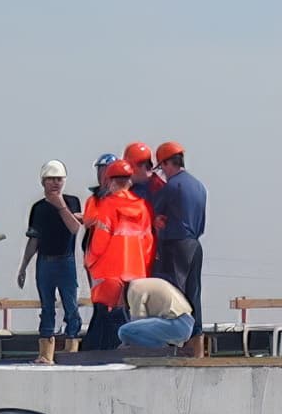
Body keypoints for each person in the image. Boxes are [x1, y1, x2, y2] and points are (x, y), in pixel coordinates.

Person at [78, 159, 156, 352]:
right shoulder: (142, 207)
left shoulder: (107, 206)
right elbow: (148, 242)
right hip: (135, 272)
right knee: (128, 314)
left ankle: (99, 352)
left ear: (111, 181)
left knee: (106, 314)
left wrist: (90, 263)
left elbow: (99, 241)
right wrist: (143, 268)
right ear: (129, 181)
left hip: (109, 272)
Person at [16, 160, 83, 363]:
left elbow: (74, 228)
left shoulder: (71, 202)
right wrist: (23, 266)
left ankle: (72, 349)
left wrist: (60, 205)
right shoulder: (38, 209)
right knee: (47, 307)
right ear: (43, 182)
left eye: (58, 179)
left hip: (66, 261)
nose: (55, 183)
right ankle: (46, 354)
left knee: (71, 306)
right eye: (51, 179)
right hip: (45, 262)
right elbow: (33, 239)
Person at [146, 140, 207, 347]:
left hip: (175, 245)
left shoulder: (172, 186)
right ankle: (196, 343)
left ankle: (174, 344)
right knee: (193, 293)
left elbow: (154, 214)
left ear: (165, 164)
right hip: (195, 245)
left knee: (173, 295)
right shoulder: (199, 186)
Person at [113, 276, 197, 352]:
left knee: (124, 331)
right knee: (129, 333)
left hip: (177, 323)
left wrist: (124, 346)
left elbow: (136, 326)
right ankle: (164, 351)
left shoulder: (134, 290)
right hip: (183, 322)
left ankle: (163, 352)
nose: (116, 305)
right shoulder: (139, 284)